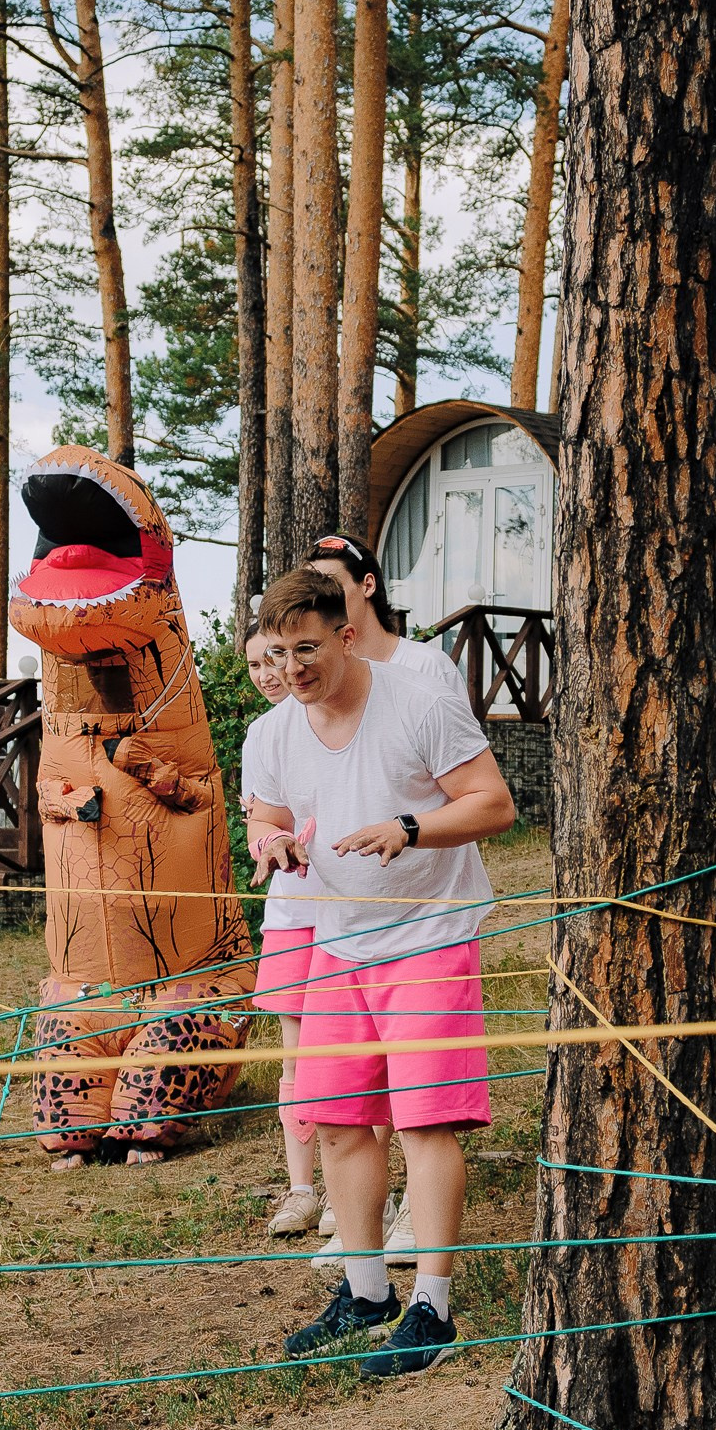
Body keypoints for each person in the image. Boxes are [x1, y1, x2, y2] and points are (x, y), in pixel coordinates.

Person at [245, 568, 515, 1374]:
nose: (293, 668)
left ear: (347, 635)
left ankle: (433, 1307)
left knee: (427, 1121)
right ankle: (366, 1296)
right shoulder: (273, 733)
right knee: (337, 1119)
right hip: (336, 943)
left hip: (428, 937)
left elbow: (493, 804)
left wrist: (411, 827)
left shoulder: (418, 705)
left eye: (307, 648)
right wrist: (272, 842)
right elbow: (267, 811)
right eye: (278, 653)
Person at [301, 532, 460, 1265]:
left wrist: (408, 830)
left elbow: (466, 784)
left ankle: (416, 1239)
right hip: (341, 925)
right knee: (344, 1105)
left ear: (364, 589)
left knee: (419, 1102)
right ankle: (371, 1224)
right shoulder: (307, 701)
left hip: (427, 920)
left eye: (333, 585)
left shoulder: (425, 670)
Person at [244, 628, 328, 1235]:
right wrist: (274, 843)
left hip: (353, 917)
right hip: (292, 915)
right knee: (295, 1055)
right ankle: (303, 1189)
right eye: (256, 662)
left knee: (355, 1054)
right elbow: (261, 824)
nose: (269, 672)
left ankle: (369, 1191)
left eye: (277, 656)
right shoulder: (264, 737)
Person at [306, 533, 466, 696]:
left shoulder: (428, 667)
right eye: (310, 592)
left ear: (368, 585)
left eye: (330, 587)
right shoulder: (315, 675)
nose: (317, 601)